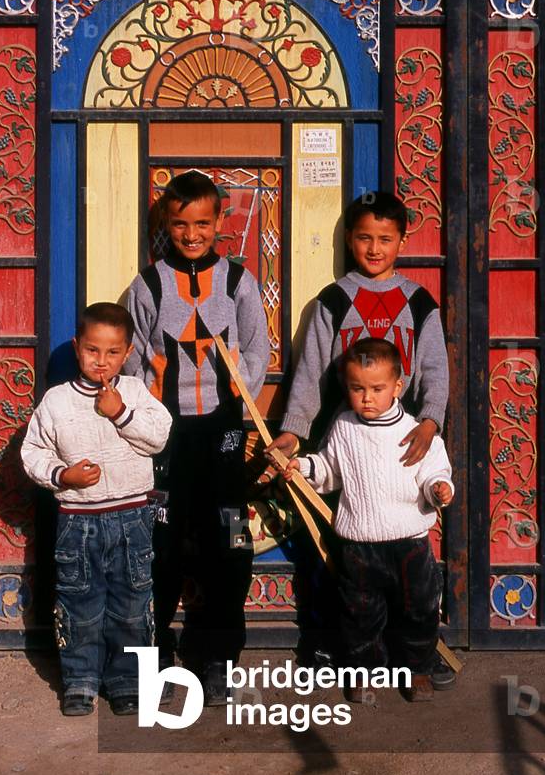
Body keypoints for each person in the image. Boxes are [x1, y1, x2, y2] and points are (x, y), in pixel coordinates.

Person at [266, 190, 454, 688]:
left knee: (411, 570)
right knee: (345, 565)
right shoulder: (332, 300)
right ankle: (340, 651)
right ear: (350, 240)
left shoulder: (419, 302)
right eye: (365, 238)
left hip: (402, 437)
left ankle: (413, 655)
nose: (374, 248)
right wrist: (293, 433)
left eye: (385, 239)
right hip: (343, 440)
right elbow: (308, 374)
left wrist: (430, 421)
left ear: (401, 240)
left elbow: (435, 368)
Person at [124, 170, 270, 705]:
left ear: (219, 222)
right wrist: (147, 397)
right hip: (165, 438)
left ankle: (217, 656)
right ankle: (154, 656)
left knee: (228, 543)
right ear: (167, 222)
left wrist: (240, 386)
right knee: (159, 545)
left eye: (202, 224)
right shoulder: (147, 285)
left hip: (224, 434)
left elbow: (258, 350)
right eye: (181, 224)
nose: (191, 235)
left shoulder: (238, 281)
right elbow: (132, 357)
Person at [279, 338, 453, 704]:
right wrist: (304, 467)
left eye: (377, 389)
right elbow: (329, 469)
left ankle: (417, 668)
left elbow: (433, 470)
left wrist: (439, 487)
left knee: (419, 609)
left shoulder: (416, 432)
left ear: (397, 387)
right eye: (358, 389)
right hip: (359, 546)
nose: (367, 398)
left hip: (409, 543)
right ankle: (363, 672)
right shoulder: (343, 427)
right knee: (360, 614)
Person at [21, 303, 172, 717]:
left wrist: (120, 412)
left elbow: (159, 436)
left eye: (111, 352)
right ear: (77, 348)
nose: (100, 361)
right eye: (92, 350)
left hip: (131, 519)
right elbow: (32, 451)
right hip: (77, 521)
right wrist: (62, 475)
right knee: (79, 603)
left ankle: (126, 681)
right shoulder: (56, 402)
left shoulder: (137, 393)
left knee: (131, 604)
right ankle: (80, 681)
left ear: (127, 354)